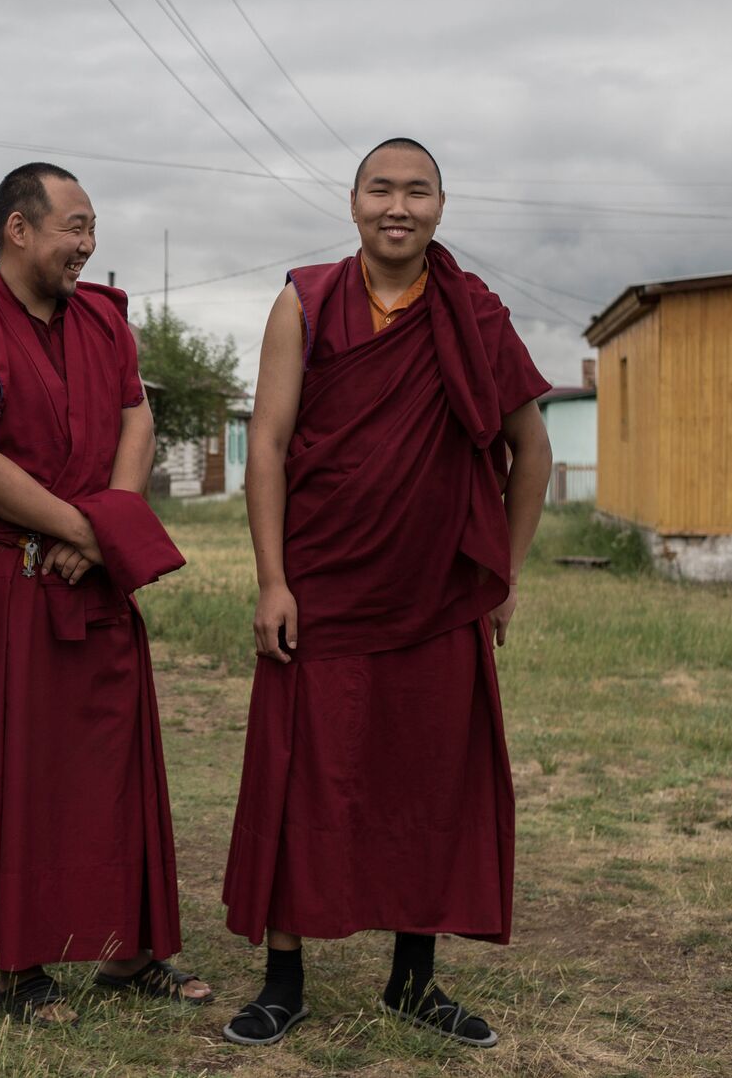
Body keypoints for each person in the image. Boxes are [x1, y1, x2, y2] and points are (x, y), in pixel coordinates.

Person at [221, 138, 551, 1049]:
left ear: (442, 205)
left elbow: (534, 453)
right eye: (380, 189)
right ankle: (282, 979)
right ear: (354, 202)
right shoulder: (308, 299)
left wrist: (502, 574)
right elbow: (269, 446)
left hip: (439, 594)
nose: (397, 205)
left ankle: (415, 981)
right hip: (322, 584)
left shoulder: (473, 312)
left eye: (417, 190)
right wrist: (273, 579)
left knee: (426, 780)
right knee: (302, 774)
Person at [0, 163, 212, 1024]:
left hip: (91, 574)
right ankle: (18, 963)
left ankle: (131, 952)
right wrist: (84, 528)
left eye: (92, 229)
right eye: (74, 227)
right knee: (13, 773)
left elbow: (136, 416)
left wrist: (103, 524)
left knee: (116, 768)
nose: (88, 246)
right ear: (19, 230)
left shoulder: (104, 321)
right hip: (4, 576)